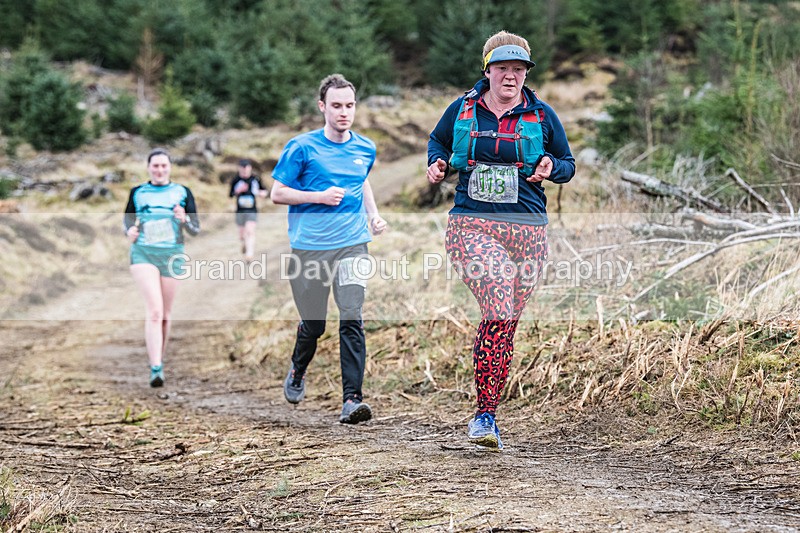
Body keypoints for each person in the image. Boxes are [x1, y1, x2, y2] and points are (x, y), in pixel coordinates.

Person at [427, 31, 575, 449]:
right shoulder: (462, 108)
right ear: (487, 70)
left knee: (505, 321)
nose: (510, 76)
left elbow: (567, 163)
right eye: (503, 68)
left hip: (529, 229)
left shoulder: (542, 115)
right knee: (496, 304)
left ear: (526, 73)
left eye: (518, 69)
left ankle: (488, 410)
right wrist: (436, 164)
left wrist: (551, 166)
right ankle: (484, 418)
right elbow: (437, 141)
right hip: (472, 225)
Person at [271, 73, 386, 424]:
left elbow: (361, 180)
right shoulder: (302, 147)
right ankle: (297, 368)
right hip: (309, 249)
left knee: (352, 314)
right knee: (314, 323)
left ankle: (352, 400)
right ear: (322, 106)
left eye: (349, 105)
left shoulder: (365, 147)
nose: (343, 112)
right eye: (336, 106)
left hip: (352, 245)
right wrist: (317, 197)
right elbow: (277, 193)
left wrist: (374, 215)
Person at [124, 148, 200, 387]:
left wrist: (183, 219)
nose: (159, 170)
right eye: (155, 166)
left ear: (170, 168)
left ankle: (159, 359)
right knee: (155, 311)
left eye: (163, 166)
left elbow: (195, 228)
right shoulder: (138, 192)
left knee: (166, 316)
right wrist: (129, 230)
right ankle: (155, 367)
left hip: (172, 255)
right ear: (148, 168)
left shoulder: (182, 193)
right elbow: (127, 219)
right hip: (143, 253)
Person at [230, 159, 267, 262]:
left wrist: (260, 193)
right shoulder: (236, 180)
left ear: (250, 168)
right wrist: (238, 191)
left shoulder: (255, 179)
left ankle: (249, 254)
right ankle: (244, 243)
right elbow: (230, 194)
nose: (245, 171)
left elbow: (264, 191)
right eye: (243, 169)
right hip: (240, 210)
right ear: (239, 169)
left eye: (247, 168)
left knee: (250, 231)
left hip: (252, 210)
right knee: (242, 234)